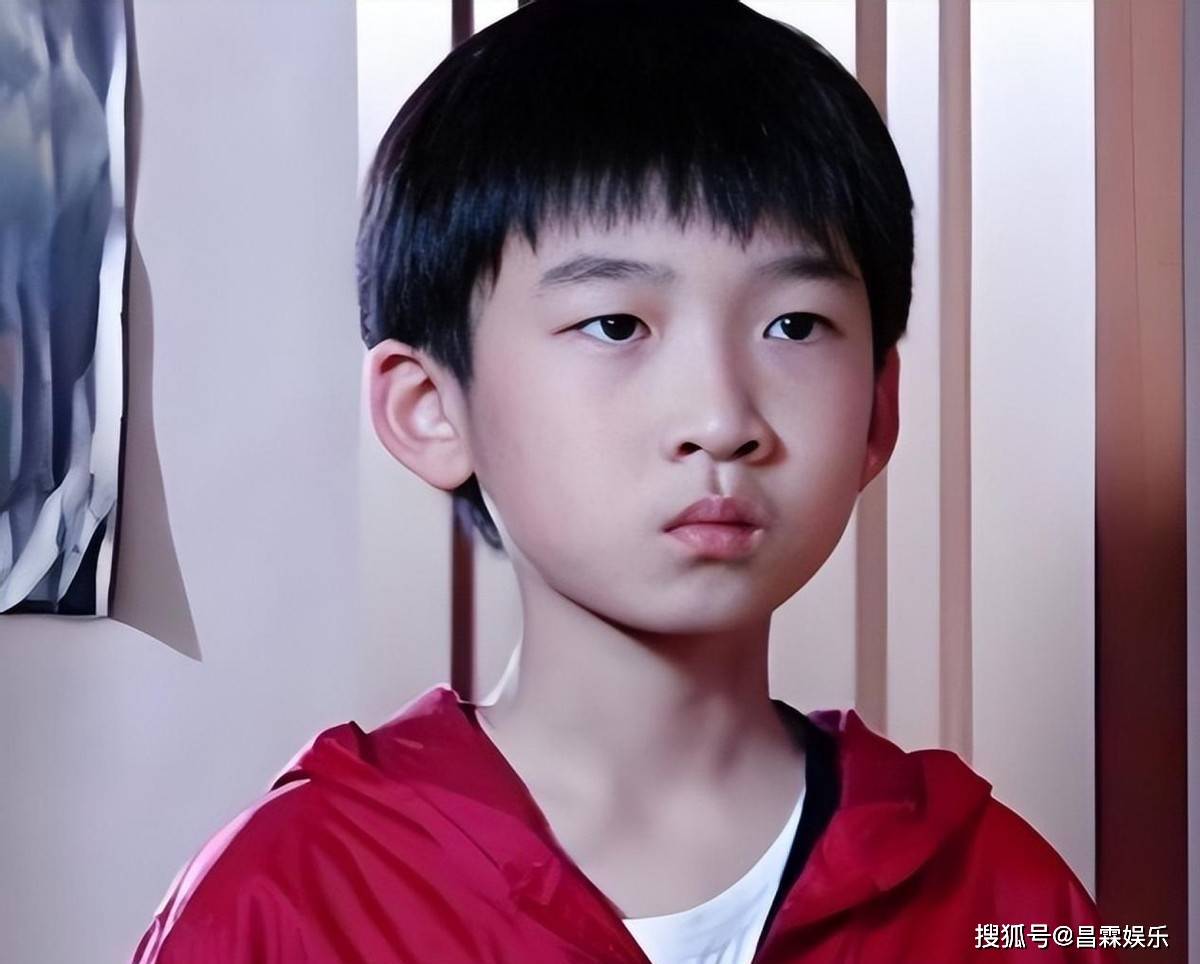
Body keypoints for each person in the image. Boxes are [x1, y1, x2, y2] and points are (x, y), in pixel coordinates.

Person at [132, 1, 1119, 961]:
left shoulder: (1006, 900)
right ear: (430, 407)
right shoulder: (288, 903)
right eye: (616, 325)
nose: (722, 419)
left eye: (794, 325)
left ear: (877, 409)